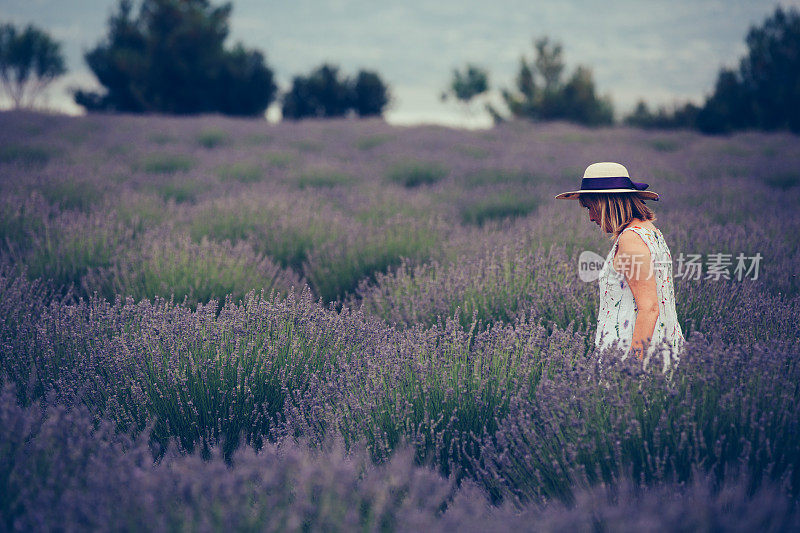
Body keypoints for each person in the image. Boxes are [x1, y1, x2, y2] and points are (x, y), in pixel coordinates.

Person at [554, 162, 685, 372]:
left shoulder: (631, 239)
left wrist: (632, 368)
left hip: (633, 354)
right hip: (659, 347)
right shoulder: (650, 231)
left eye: (591, 207)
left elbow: (649, 308)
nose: (590, 217)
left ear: (607, 203)